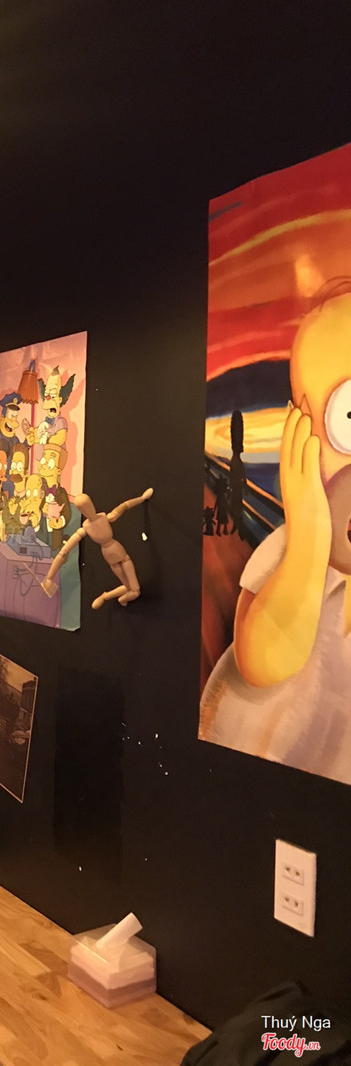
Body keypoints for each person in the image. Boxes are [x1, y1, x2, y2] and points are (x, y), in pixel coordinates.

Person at [200, 281, 351, 783]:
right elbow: (261, 662)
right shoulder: (288, 550)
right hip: (251, 770)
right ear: (297, 436)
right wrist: (308, 545)